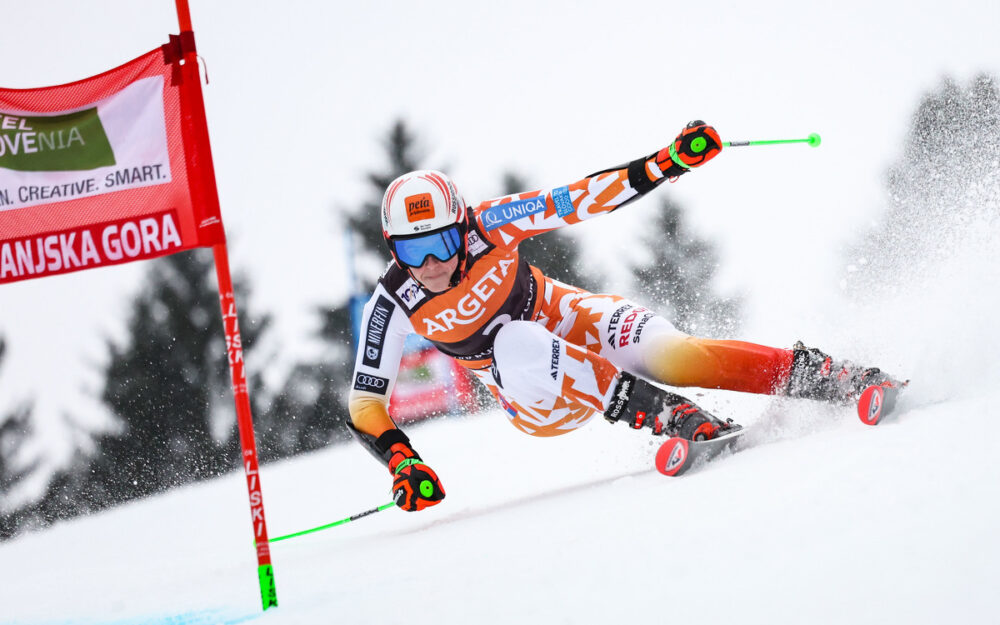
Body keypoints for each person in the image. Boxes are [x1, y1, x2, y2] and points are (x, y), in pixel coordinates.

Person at [347, 120, 902, 512]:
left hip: (566, 316)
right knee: (515, 340)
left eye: (441, 242)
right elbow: (365, 401)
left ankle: (827, 376)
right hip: (536, 395)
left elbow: (579, 197)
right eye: (412, 251)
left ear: (460, 225)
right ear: (393, 247)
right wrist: (403, 463)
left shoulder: (490, 224)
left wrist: (668, 162)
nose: (433, 264)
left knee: (676, 355)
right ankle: (669, 415)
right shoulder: (393, 300)